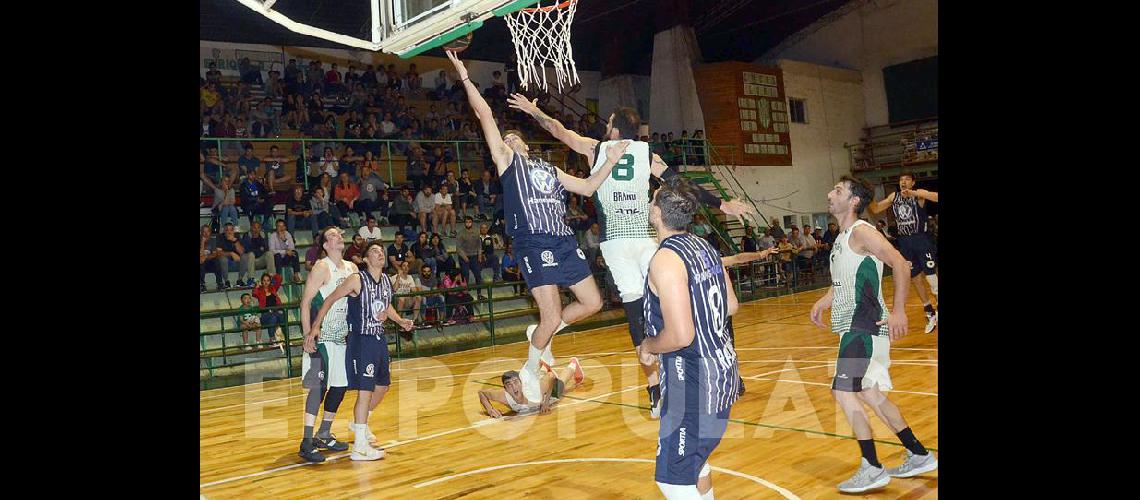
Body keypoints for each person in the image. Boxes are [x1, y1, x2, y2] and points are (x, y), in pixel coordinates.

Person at [507, 96, 756, 418]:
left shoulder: (595, 148)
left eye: (607, 123)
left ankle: (655, 387)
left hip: (616, 243)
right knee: (670, 302)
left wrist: (534, 111)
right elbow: (680, 183)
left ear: (612, 129)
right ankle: (688, 375)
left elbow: (558, 130)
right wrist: (722, 205)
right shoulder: (646, 154)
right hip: (646, 239)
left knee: (637, 310)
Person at [450, 51, 626, 399]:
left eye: (515, 139)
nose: (510, 142)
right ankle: (528, 373)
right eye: (506, 140)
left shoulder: (550, 170)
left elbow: (589, 187)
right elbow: (484, 113)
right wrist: (464, 75)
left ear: (526, 145)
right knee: (551, 314)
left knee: (593, 304)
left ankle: (543, 333)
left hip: (562, 241)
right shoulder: (506, 163)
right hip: (533, 242)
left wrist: (611, 161)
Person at [809, 175, 937, 492]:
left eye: (837, 190)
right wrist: (828, 297)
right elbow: (847, 276)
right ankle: (919, 454)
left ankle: (872, 466)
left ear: (854, 201)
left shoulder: (863, 231)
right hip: (856, 327)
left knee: (843, 391)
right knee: (868, 392)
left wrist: (898, 311)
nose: (829, 192)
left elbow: (901, 264)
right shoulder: (843, 238)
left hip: (862, 327)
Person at [637, 177, 740, 499]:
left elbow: (681, 335)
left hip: (693, 379)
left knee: (672, 478)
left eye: (653, 199)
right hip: (722, 369)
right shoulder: (705, 246)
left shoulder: (666, 259)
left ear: (657, 213)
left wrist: (649, 346)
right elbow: (732, 305)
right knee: (698, 466)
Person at [310, 240, 415, 461]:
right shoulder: (357, 279)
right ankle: (359, 447)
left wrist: (399, 321)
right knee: (365, 392)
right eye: (375, 251)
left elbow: (385, 305)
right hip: (361, 340)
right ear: (366, 259)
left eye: (382, 251)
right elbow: (330, 299)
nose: (380, 254)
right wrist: (315, 326)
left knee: (383, 386)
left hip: (378, 338)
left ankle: (360, 422)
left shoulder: (387, 280)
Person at [296, 226, 358, 463]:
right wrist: (306, 334)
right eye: (332, 235)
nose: (338, 237)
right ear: (325, 245)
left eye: (339, 234)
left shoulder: (352, 267)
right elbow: (305, 302)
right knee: (318, 387)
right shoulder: (322, 267)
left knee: (340, 387)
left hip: (342, 337)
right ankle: (306, 440)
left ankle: (324, 432)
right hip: (320, 336)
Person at [868, 172, 939, 333]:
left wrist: (914, 193)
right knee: (914, 277)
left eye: (907, 179)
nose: (903, 182)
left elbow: (935, 196)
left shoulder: (918, 195)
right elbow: (875, 209)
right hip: (905, 241)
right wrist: (868, 195)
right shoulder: (894, 197)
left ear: (913, 182)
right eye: (901, 179)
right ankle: (929, 312)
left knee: (931, 277)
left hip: (921, 239)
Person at [478, 359, 585, 417]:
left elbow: (551, 377)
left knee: (560, 386)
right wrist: (490, 409)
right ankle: (542, 366)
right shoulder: (504, 396)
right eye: (509, 384)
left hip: (548, 391)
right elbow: (481, 393)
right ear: (505, 389)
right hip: (537, 381)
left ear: (521, 383)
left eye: (515, 382)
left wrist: (546, 401)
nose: (513, 386)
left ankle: (573, 364)